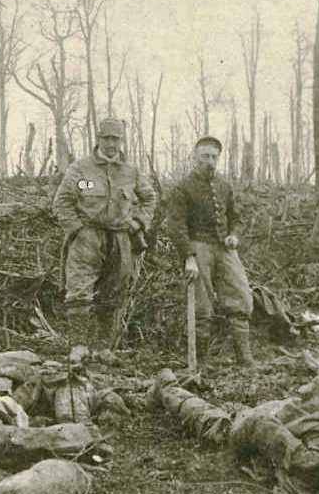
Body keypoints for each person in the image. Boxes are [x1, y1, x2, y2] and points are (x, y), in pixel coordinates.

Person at [52, 117, 156, 349]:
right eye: (106, 138)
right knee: (79, 292)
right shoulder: (81, 169)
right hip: (87, 237)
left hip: (120, 238)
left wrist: (138, 222)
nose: (111, 144)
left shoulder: (130, 172)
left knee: (114, 294)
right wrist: (77, 230)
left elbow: (149, 198)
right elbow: (63, 201)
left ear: (121, 141)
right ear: (98, 139)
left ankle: (102, 350)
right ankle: (78, 348)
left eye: (116, 139)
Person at [167, 135, 255, 366]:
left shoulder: (224, 186)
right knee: (202, 306)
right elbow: (176, 225)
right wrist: (189, 257)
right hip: (198, 248)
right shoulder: (183, 188)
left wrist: (234, 235)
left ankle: (244, 359)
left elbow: (236, 217)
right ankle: (202, 363)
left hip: (224, 249)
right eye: (205, 156)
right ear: (195, 158)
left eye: (214, 157)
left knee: (241, 296)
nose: (210, 161)